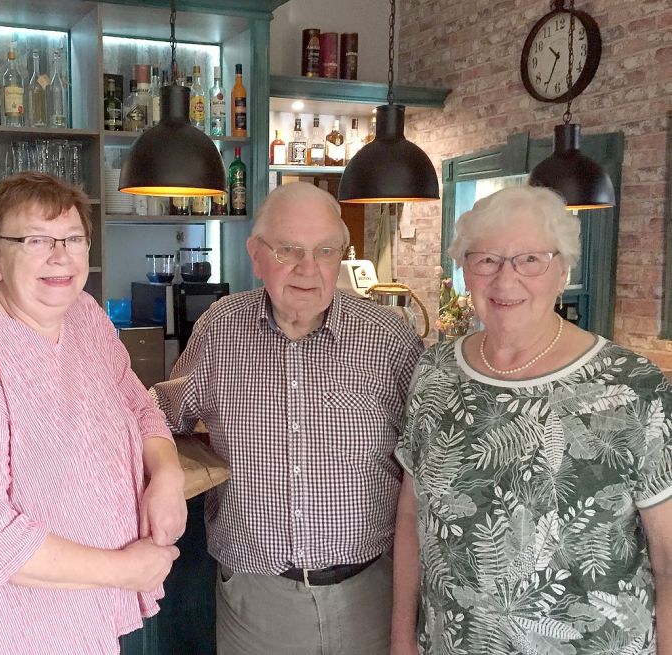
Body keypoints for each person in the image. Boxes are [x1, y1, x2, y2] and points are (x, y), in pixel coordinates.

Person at [0, 172, 187, 654]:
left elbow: (137, 404)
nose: (60, 255)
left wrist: (168, 476)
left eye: (73, 238)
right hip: (9, 626)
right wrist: (124, 570)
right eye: (36, 240)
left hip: (81, 611)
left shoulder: (85, 317)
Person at [391, 185, 672, 655]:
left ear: (563, 270)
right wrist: (402, 638)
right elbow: (411, 517)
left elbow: (668, 560)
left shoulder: (632, 386)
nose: (506, 280)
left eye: (530, 260)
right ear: (464, 271)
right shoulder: (435, 371)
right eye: (485, 260)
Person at [152, 182, 424, 655]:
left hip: (370, 592)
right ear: (255, 254)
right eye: (288, 249)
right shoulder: (220, 328)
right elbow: (161, 414)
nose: (307, 268)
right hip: (256, 598)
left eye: (325, 251)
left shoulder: (389, 336)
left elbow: (426, 455)